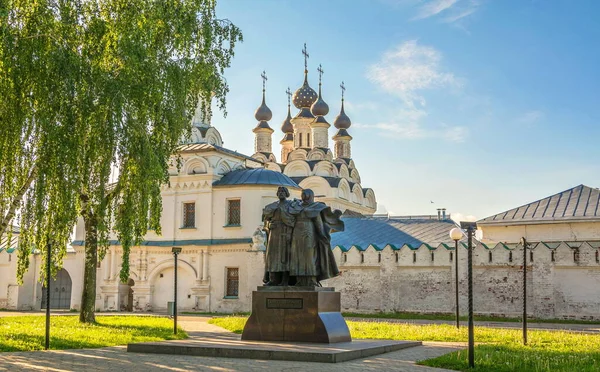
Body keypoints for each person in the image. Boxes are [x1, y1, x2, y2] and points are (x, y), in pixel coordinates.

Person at [289, 189, 343, 286]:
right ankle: (300, 279)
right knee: (297, 256)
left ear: (310, 196)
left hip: (309, 232)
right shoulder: (296, 207)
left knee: (310, 256)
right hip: (297, 234)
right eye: (303, 195)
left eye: (305, 195)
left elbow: (318, 223)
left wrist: (322, 235)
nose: (303, 196)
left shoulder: (316, 207)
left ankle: (311, 279)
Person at [262, 186, 298, 286]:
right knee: (272, 256)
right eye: (279, 191)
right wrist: (269, 225)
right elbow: (266, 220)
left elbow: (294, 219)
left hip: (286, 232)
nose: (281, 193)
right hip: (274, 233)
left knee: (285, 256)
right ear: (277, 194)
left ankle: (285, 280)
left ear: (287, 194)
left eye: (283, 191)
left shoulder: (290, 205)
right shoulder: (272, 206)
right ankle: (273, 279)